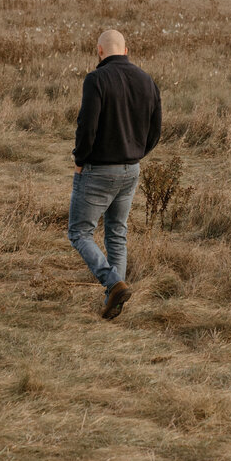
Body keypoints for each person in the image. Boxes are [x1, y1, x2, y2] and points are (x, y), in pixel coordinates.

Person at [69, 29, 162, 320]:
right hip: (131, 168)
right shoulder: (147, 80)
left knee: (79, 231)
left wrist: (80, 159)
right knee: (117, 233)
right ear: (126, 50)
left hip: (98, 169)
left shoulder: (96, 80)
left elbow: (87, 125)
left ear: (99, 51)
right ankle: (115, 302)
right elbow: (156, 128)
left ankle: (113, 283)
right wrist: (136, 153)